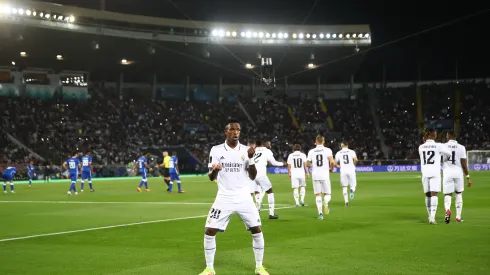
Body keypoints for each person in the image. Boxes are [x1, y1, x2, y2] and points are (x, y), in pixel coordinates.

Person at [199, 120, 269, 275]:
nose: (236, 132)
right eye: (232, 129)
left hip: (244, 197)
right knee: (209, 230)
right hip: (224, 197)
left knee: (257, 230)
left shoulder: (246, 150)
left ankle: (259, 267)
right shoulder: (216, 150)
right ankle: (209, 268)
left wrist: (251, 159)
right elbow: (211, 177)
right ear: (226, 132)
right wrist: (215, 170)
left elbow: (253, 176)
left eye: (238, 129)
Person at [418, 129, 451, 224]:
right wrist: (441, 159)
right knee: (434, 195)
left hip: (425, 172)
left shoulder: (421, 147)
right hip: (435, 172)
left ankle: (429, 215)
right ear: (434, 135)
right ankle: (432, 217)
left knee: (427, 195)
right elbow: (449, 153)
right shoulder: (439, 145)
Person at [442, 131, 472, 223]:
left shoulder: (443, 146)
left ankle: (447, 210)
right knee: (458, 193)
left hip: (447, 173)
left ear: (448, 136)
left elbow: (440, 159)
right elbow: (464, 164)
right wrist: (468, 177)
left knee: (448, 194)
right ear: (455, 137)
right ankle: (458, 217)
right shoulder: (461, 147)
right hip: (458, 173)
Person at [253, 140, 285, 219]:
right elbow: (273, 163)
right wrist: (283, 163)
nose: (270, 145)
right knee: (270, 192)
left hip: (252, 175)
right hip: (261, 175)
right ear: (265, 144)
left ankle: (257, 209)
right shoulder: (267, 151)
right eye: (269, 143)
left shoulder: (253, 150)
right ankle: (271, 214)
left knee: (257, 191)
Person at [307, 135, 336, 220]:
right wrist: (331, 169)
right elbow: (332, 162)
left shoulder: (311, 151)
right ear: (323, 141)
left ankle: (320, 214)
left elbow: (308, 164)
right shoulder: (328, 150)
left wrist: (313, 165)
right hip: (325, 175)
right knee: (328, 194)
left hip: (315, 175)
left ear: (316, 141)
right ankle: (326, 202)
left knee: (318, 195)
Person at [334, 141, 358, 206]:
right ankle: (352, 190)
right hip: (351, 170)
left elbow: (334, 162)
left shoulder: (338, 153)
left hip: (343, 171)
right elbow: (356, 160)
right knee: (353, 185)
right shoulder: (351, 151)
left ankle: (346, 202)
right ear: (347, 145)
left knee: (344, 187)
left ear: (342, 145)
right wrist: (354, 165)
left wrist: (338, 166)